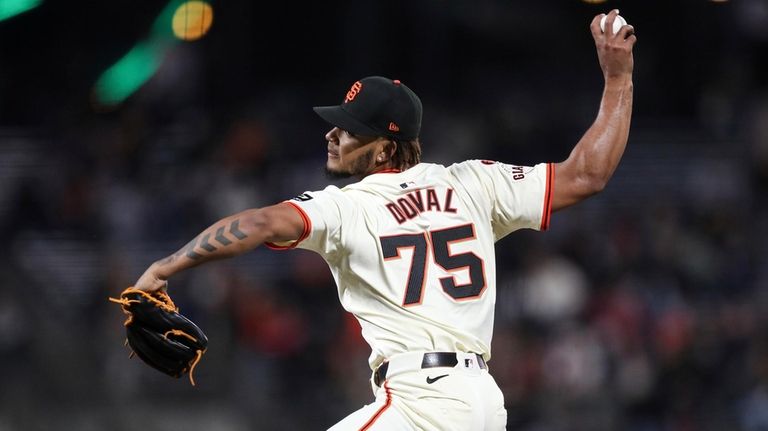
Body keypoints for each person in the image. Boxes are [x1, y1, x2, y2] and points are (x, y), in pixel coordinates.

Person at [131, 10, 636, 430]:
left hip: (421, 404)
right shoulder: (475, 183)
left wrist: (166, 267)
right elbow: (585, 176)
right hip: (481, 402)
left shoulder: (347, 206)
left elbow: (261, 224)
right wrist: (619, 79)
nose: (333, 135)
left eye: (350, 130)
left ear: (385, 149)